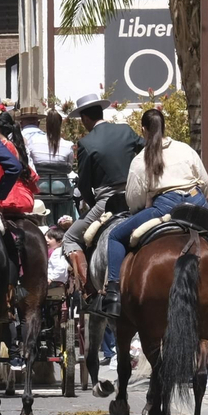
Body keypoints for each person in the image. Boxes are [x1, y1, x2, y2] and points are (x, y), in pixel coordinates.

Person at [97, 108, 208, 319]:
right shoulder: (185, 149)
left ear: (143, 130)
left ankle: (113, 294)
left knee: (115, 236)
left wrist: (147, 205)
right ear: (164, 126)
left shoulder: (141, 160)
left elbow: (134, 201)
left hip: (165, 205)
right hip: (196, 202)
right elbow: (205, 181)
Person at [61, 93, 144, 285]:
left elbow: (83, 184)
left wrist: (94, 206)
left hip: (107, 200)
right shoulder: (125, 130)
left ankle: (87, 288)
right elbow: (147, 149)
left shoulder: (86, 143)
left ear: (85, 119)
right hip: (136, 197)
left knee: (70, 237)